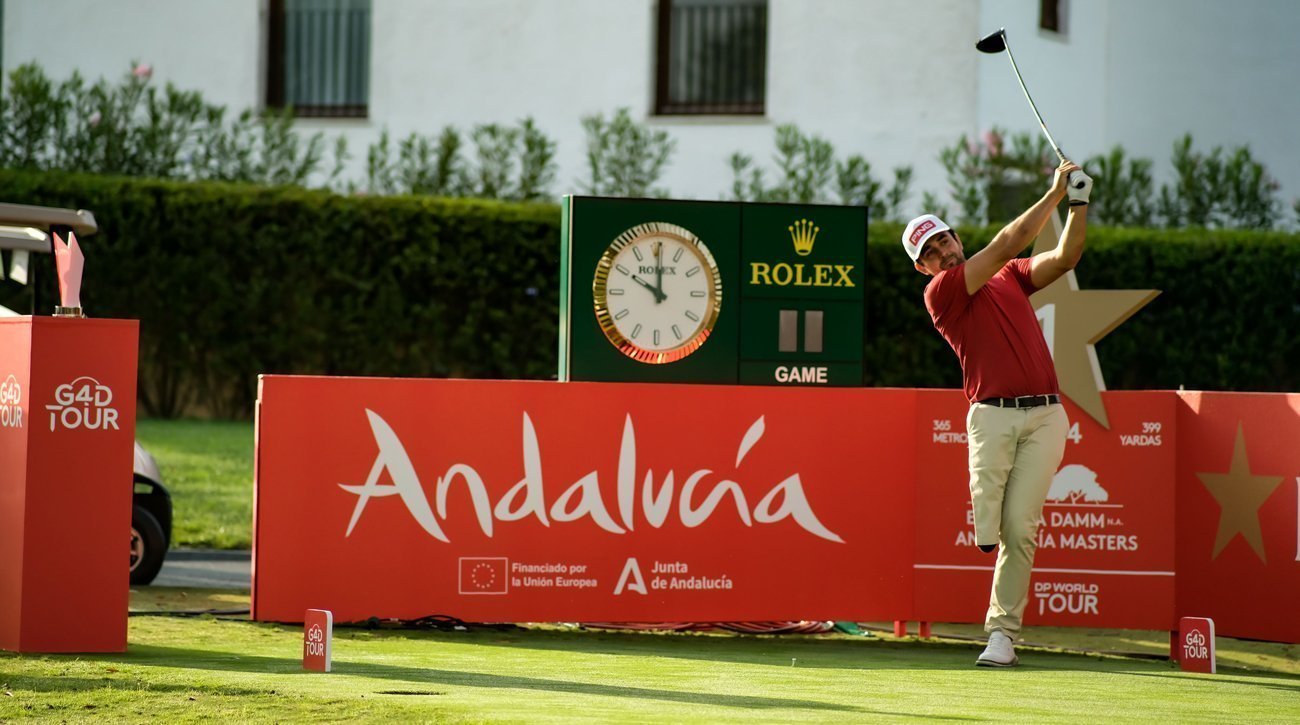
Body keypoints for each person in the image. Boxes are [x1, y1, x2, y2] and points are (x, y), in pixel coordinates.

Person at [902, 159, 1092, 667]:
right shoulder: (941, 292)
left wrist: (1078, 202)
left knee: (1019, 528)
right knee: (991, 516)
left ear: (955, 238)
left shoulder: (1009, 278)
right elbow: (1009, 240)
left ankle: (1002, 635)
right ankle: (985, 528)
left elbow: (1066, 257)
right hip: (990, 414)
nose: (941, 251)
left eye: (943, 240)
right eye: (929, 252)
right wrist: (1053, 193)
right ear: (922, 267)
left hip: (1046, 416)